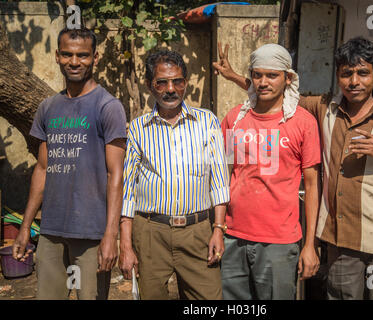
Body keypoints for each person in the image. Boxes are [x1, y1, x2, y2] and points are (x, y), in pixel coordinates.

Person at [217, 37, 373, 300]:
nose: (354, 82)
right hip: (340, 242)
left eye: (363, 73)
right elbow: (272, 89)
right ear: (338, 77)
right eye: (346, 74)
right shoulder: (325, 109)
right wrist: (234, 76)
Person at [12, 27, 127, 300]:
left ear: (95, 58)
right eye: (67, 54)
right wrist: (26, 226)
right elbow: (42, 169)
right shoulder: (48, 107)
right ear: (57, 56)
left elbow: (116, 175)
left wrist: (111, 235)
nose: (74, 62)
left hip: (91, 233)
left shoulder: (107, 106)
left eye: (82, 55)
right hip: (51, 231)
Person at [119, 49, 230, 300]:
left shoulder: (207, 121)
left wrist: (218, 229)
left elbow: (219, 181)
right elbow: (128, 190)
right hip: (150, 233)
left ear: (185, 83)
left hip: (197, 232)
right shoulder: (139, 128)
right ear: (150, 86)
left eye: (177, 81)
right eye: (162, 82)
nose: (171, 89)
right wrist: (125, 244)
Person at [215, 43, 321, 300]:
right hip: (233, 238)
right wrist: (218, 229)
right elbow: (226, 175)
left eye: (272, 75)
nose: (263, 82)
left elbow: (313, 185)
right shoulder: (234, 119)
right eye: (257, 74)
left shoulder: (303, 123)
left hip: (280, 242)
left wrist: (310, 245)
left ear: (288, 78)